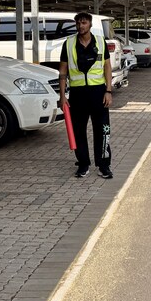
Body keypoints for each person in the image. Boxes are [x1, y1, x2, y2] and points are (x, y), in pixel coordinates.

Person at [59, 12, 113, 179]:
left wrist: (108, 91)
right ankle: (83, 164)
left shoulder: (100, 42)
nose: (80, 26)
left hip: (98, 93)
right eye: (78, 23)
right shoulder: (68, 44)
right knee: (78, 131)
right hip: (78, 94)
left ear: (90, 25)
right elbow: (62, 72)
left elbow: (107, 67)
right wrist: (62, 96)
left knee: (103, 130)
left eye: (84, 23)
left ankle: (104, 166)